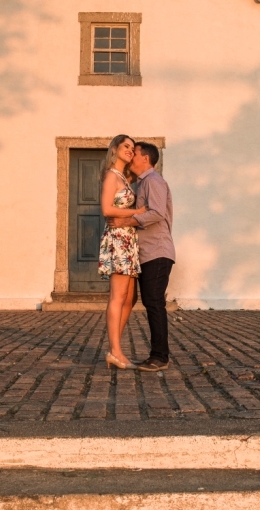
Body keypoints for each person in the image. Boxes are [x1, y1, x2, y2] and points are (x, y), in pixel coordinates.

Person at [108, 141, 175, 372]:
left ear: (145, 158)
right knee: (147, 302)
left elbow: (156, 213)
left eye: (134, 153)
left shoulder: (153, 181)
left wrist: (126, 220)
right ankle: (129, 350)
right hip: (146, 252)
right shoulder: (142, 183)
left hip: (157, 251)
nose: (131, 156)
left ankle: (160, 356)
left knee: (154, 303)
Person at [98, 134, 146, 370]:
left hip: (128, 240)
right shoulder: (111, 176)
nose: (129, 150)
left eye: (132, 148)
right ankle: (115, 351)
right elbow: (107, 209)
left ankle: (115, 348)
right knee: (118, 297)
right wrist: (137, 212)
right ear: (115, 149)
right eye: (125, 146)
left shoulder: (124, 178)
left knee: (130, 297)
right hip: (118, 239)